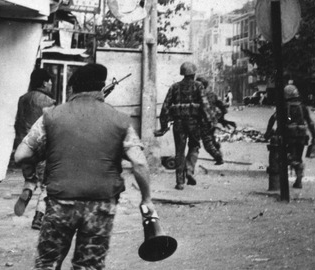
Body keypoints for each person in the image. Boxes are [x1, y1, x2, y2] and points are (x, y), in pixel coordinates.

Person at [14, 63, 154, 269]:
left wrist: (45, 154)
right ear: (101, 88)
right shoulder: (119, 120)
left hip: (60, 202)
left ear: (72, 89)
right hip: (101, 205)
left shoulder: (51, 117)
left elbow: (21, 155)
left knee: (47, 263)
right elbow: (140, 162)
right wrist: (147, 199)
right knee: (88, 266)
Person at [155, 62, 223, 190]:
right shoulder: (198, 86)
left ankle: (179, 182)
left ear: (182, 73)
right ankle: (190, 171)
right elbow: (205, 105)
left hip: (178, 124)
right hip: (194, 123)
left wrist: (163, 127)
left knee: (179, 152)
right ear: (194, 73)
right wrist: (211, 121)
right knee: (194, 146)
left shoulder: (174, 87)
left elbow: (165, 107)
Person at [12, 68, 55, 230]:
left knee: (31, 178)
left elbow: (18, 122)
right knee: (47, 185)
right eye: (50, 81)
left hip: (23, 147)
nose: (51, 84)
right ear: (44, 82)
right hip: (41, 148)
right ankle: (38, 217)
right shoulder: (48, 101)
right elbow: (50, 126)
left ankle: (28, 191)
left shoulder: (22, 99)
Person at [264, 85, 315, 189]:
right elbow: (310, 123)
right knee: (298, 157)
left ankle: (284, 180)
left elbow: (273, 119)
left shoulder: (283, 107)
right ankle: (298, 180)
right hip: (301, 137)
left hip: (287, 136)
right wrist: (314, 136)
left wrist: (267, 133)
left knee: (284, 157)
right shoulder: (303, 107)